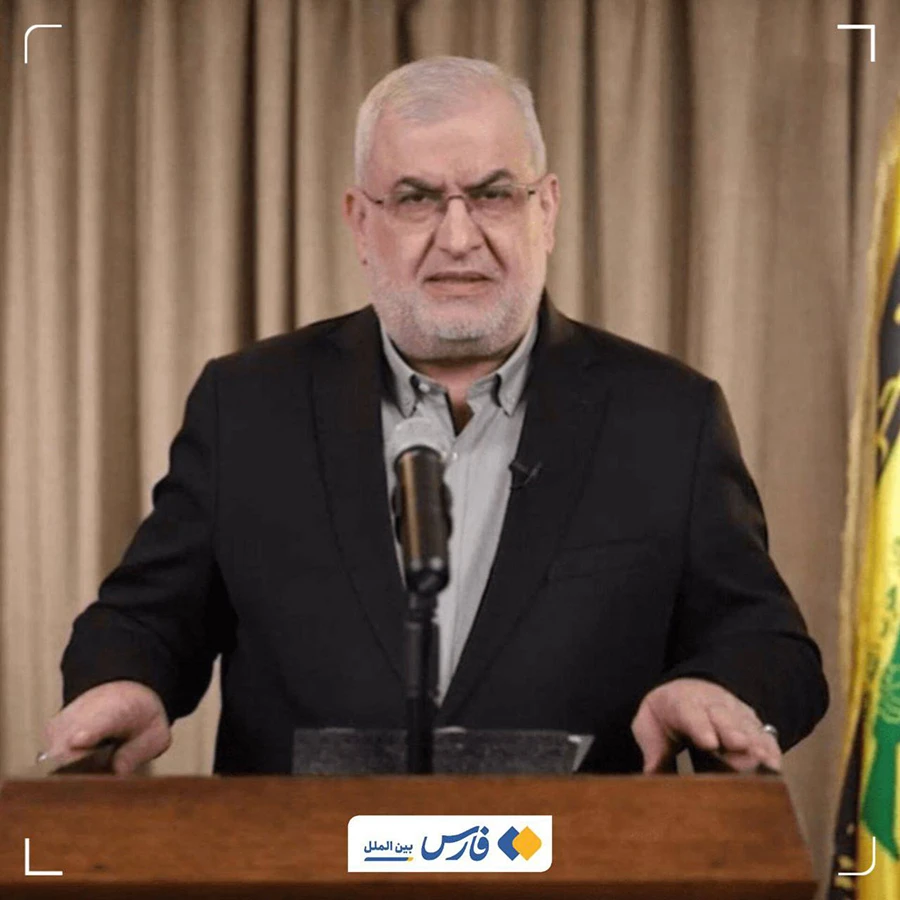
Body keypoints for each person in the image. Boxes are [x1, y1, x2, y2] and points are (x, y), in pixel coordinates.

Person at [44, 56, 828, 776]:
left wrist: (718, 688)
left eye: (493, 194)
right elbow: (146, 620)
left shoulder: (668, 417)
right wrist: (124, 683)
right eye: (417, 199)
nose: (458, 238)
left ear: (547, 209)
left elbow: (767, 643)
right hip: (300, 859)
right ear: (360, 222)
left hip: (577, 860)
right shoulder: (247, 404)